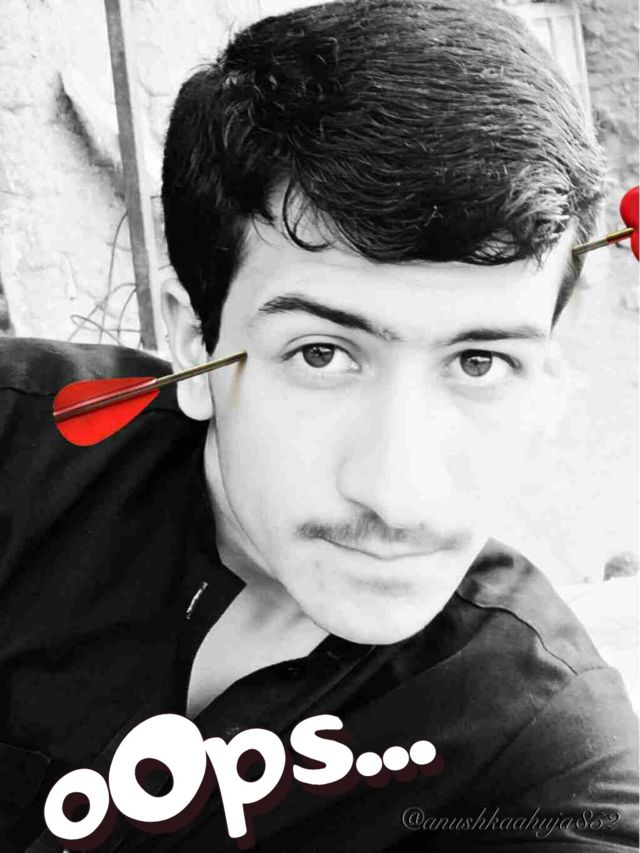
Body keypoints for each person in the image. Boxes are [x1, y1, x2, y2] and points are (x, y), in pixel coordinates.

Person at [1, 0, 637, 850]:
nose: (400, 494)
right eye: (322, 353)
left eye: (479, 362)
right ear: (197, 343)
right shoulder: (18, 452)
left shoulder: (537, 749)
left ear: (546, 379)